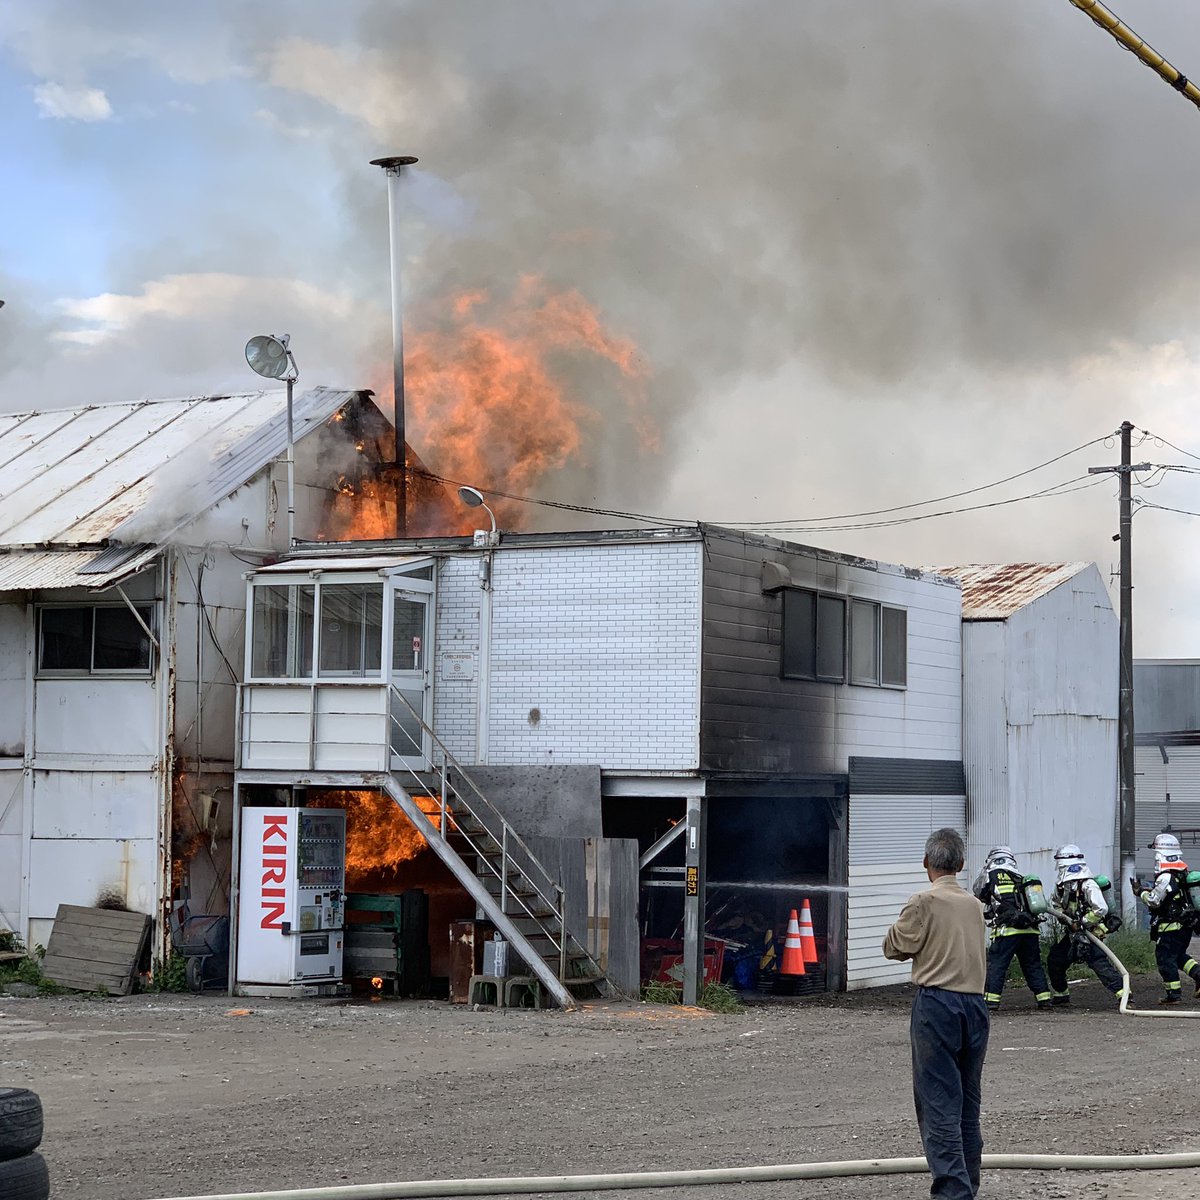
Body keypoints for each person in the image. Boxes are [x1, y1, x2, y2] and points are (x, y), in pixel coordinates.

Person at [883, 827, 989, 1200]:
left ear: (927, 862)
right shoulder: (974, 905)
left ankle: (952, 1193)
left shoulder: (922, 902)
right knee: (966, 1103)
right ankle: (967, 1185)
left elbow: (893, 948)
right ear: (960, 863)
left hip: (937, 1007)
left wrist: (901, 922)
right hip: (975, 1008)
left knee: (939, 1102)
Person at [972, 845, 1052, 1012]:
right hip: (1029, 929)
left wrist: (984, 871)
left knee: (997, 965)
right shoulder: (1019, 877)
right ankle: (1044, 999)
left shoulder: (992, 874)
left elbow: (978, 892)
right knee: (1032, 965)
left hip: (1007, 930)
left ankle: (991, 1002)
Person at [1046, 844, 1126, 1007]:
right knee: (1056, 959)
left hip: (1091, 934)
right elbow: (1054, 903)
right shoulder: (1062, 886)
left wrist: (1082, 922)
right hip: (1073, 934)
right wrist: (1064, 916)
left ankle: (1125, 996)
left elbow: (1101, 909)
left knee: (1099, 964)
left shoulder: (1088, 885)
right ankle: (1061, 995)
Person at [1132, 832, 1200, 1005]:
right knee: (1177, 957)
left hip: (1171, 927)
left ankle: (1173, 995)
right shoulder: (1182, 872)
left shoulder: (1165, 876)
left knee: (1164, 958)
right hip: (1185, 925)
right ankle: (1199, 976)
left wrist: (1140, 892)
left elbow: (1155, 901)